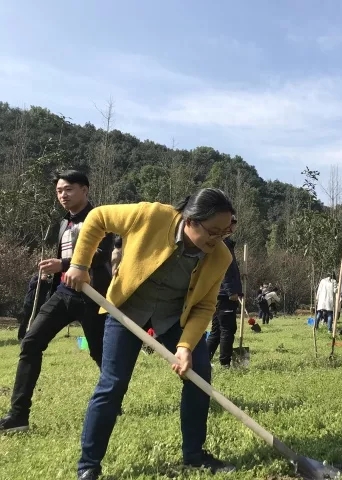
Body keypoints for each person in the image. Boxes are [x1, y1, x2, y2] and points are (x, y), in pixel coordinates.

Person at [63, 188, 237, 479]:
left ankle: (194, 455)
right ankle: (88, 466)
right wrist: (80, 264)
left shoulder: (220, 257)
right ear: (190, 220)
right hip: (126, 310)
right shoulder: (151, 216)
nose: (217, 239)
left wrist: (185, 346)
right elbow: (98, 217)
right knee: (112, 384)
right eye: (212, 231)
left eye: (224, 233)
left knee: (199, 376)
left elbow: (205, 305)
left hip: (173, 319)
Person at [0, 170, 113, 434]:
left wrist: (62, 263)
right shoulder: (63, 223)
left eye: (69, 189)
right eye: (59, 191)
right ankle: (18, 416)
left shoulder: (100, 218)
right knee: (31, 343)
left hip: (93, 295)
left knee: (99, 353)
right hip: (63, 293)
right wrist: (53, 272)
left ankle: (112, 400)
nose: (63, 195)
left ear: (85, 190)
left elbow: (101, 253)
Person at [206, 216, 241, 369]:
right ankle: (225, 363)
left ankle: (203, 360)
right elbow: (224, 270)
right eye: (232, 223)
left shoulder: (225, 243)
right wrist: (232, 291)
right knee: (227, 329)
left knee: (217, 330)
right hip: (224, 294)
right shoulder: (222, 244)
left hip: (219, 293)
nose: (234, 227)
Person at [16, 272, 51, 341]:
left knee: (37, 321)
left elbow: (51, 287)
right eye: (44, 274)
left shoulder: (47, 283)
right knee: (25, 320)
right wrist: (40, 279)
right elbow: (32, 285)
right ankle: (21, 336)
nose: (45, 275)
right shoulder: (35, 278)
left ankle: (33, 336)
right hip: (29, 303)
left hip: (39, 304)